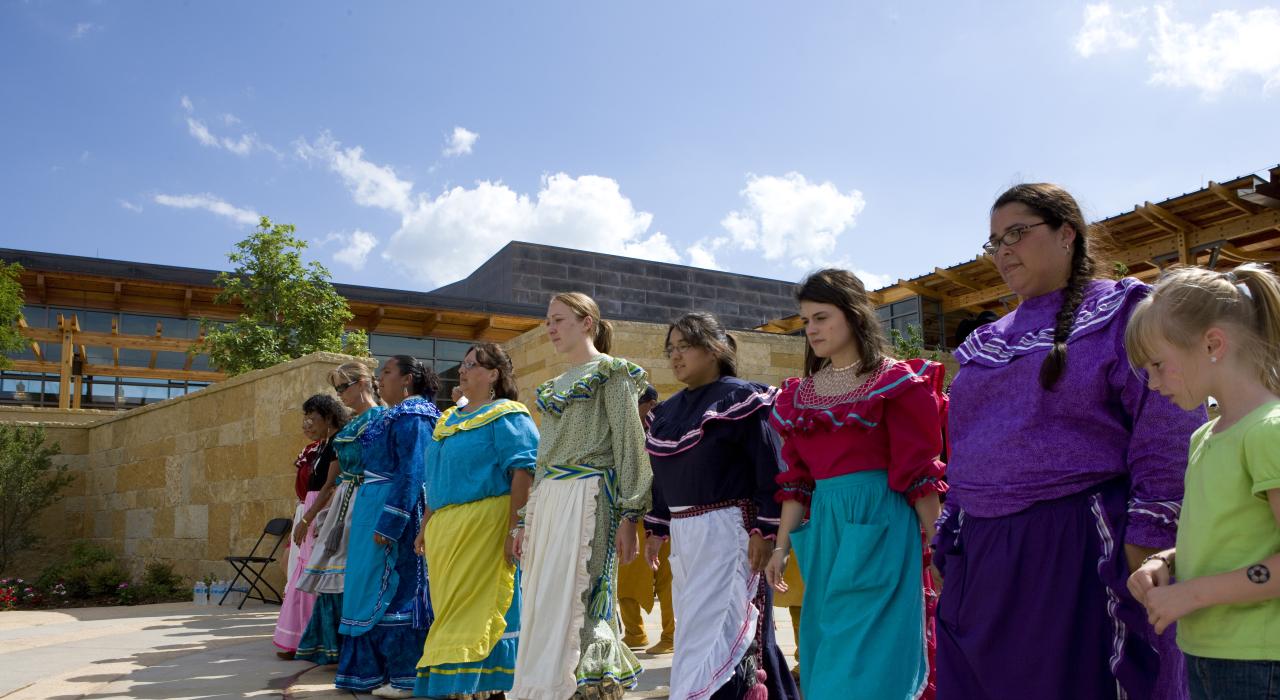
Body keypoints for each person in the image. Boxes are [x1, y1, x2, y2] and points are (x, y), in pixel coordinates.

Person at [934, 183, 1207, 700]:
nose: (1003, 250)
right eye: (993, 242)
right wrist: (950, 537)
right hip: (984, 555)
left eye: (1016, 232)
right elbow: (963, 446)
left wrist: (1149, 536)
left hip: (1079, 549)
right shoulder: (987, 343)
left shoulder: (1124, 312)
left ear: (1067, 235)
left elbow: (1166, 423)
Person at [764, 269, 947, 700]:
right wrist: (780, 548)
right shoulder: (800, 394)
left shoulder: (895, 381)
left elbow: (919, 472)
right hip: (827, 530)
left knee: (874, 656)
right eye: (806, 320)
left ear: (853, 315)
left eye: (821, 317)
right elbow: (797, 483)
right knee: (825, 652)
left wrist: (939, 546)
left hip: (880, 525)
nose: (811, 329)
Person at [1124, 264, 1280, 700]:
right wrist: (1166, 563)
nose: (1152, 383)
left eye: (1157, 365)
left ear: (1212, 343)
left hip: (1259, 661)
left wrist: (1191, 595)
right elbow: (1224, 536)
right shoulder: (1203, 436)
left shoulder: (1269, 431)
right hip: (1207, 654)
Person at [644, 312, 799, 700]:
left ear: (714, 349)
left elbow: (769, 466)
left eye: (685, 347)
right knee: (696, 635)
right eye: (671, 349)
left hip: (730, 532)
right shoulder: (667, 411)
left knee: (735, 633)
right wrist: (658, 527)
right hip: (686, 538)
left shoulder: (743, 398)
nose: (675, 356)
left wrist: (765, 530)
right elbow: (662, 476)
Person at [511, 292, 652, 700]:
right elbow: (542, 459)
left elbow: (630, 444)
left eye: (559, 320)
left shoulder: (612, 374)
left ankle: (587, 689)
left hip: (591, 494)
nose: (551, 329)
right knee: (544, 601)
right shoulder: (551, 387)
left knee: (585, 598)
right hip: (550, 499)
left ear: (587, 322)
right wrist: (525, 519)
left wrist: (630, 515)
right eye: (548, 322)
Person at [414, 343, 539, 699]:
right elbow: (435, 480)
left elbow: (523, 472)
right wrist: (426, 524)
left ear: (494, 374)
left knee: (485, 611)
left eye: (472, 364)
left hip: (486, 525)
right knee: (451, 615)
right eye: (463, 364)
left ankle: (490, 688)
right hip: (446, 532)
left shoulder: (508, 414)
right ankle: (459, 688)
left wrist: (517, 526)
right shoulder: (447, 420)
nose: (463, 370)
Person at [337, 355, 440, 699]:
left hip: (397, 510)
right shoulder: (393, 415)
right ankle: (376, 671)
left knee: (399, 587)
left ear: (408, 379)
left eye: (387, 372)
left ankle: (405, 675)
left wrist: (391, 521)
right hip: (373, 501)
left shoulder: (415, 415)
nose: (381, 378)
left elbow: (413, 471)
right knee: (366, 585)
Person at [295, 362, 386, 665]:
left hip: (367, 499)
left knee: (350, 575)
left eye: (343, 387)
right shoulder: (351, 425)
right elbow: (335, 477)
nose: (339, 394)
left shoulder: (381, 420)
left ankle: (355, 648)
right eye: (336, 389)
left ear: (362, 384)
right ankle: (332, 646)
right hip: (344, 504)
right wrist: (322, 515)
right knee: (333, 573)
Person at [273, 394, 348, 659]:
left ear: (328, 417)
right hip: (312, 507)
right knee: (302, 572)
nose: (308, 423)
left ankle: (310, 639)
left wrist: (307, 520)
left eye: (313, 418)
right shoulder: (322, 444)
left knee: (313, 574)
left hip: (323, 510)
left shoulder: (338, 442)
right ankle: (298, 637)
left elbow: (329, 486)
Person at [620, 385, 676, 655]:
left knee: (667, 580)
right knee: (626, 576)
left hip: (665, 515)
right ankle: (634, 633)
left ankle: (671, 636)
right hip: (632, 516)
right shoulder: (627, 434)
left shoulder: (665, 428)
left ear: (651, 404)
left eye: (638, 405)